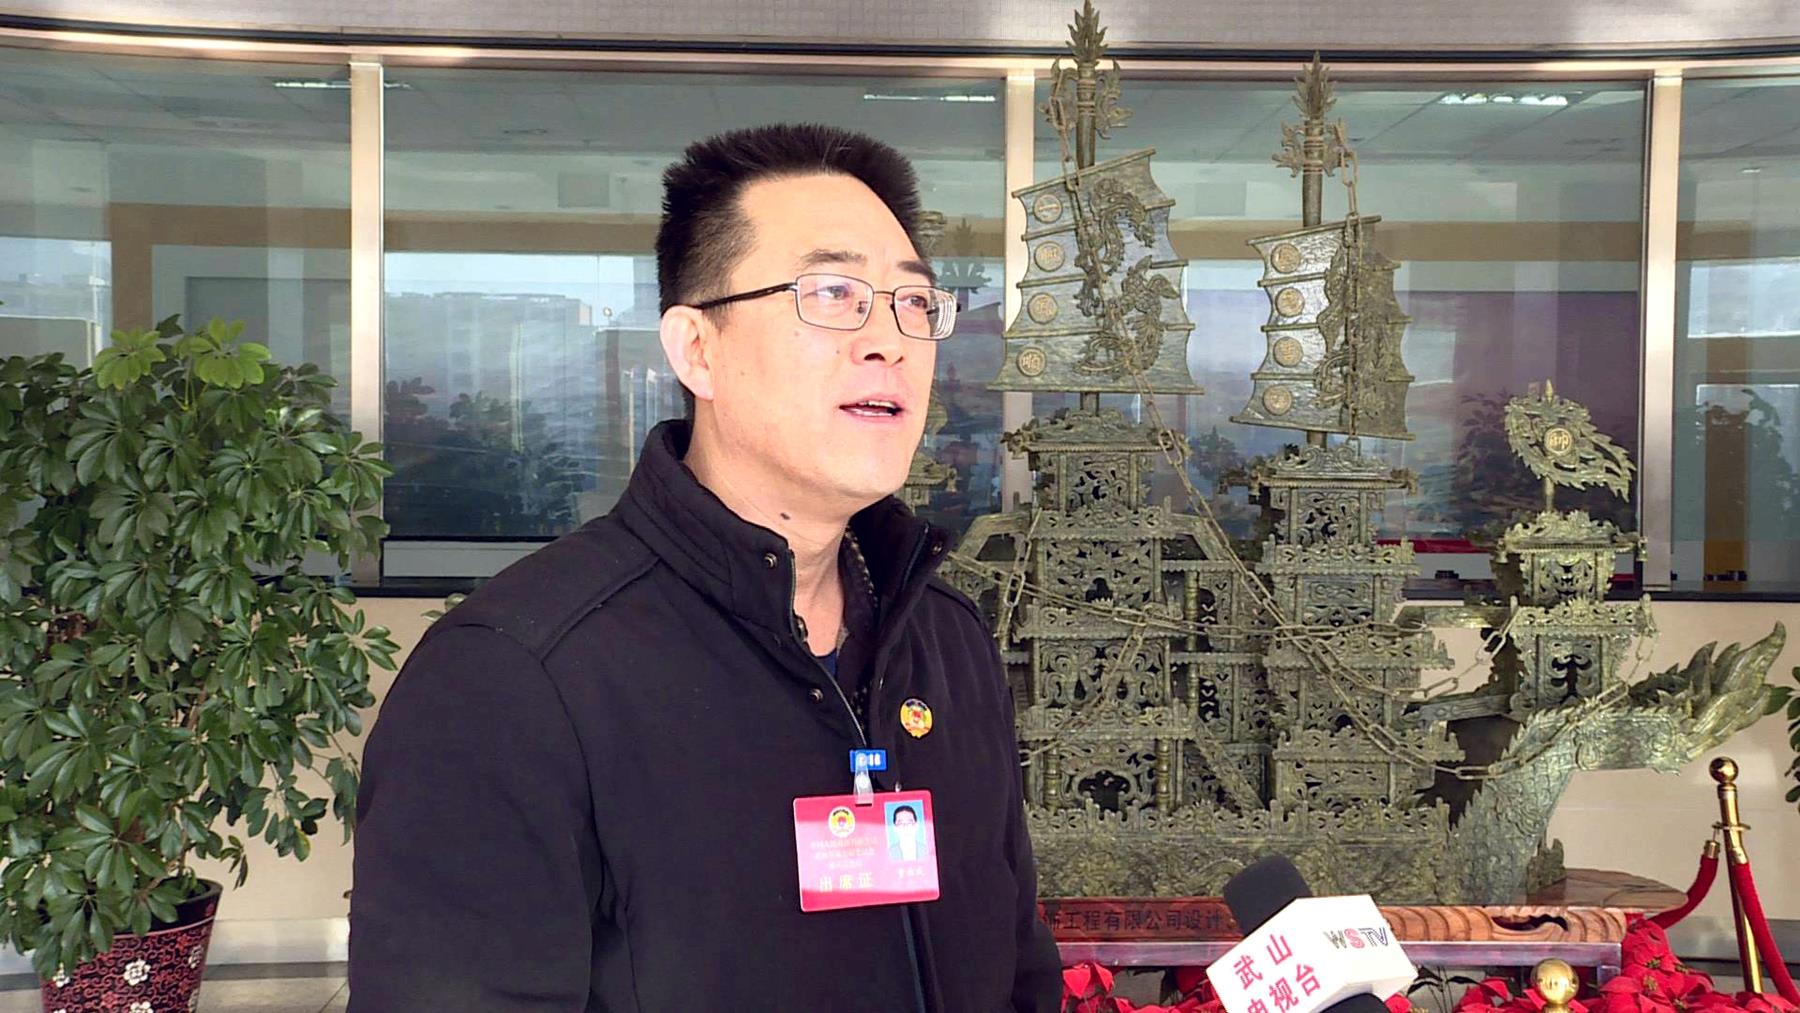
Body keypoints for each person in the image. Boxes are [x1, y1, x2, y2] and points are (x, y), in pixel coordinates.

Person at [348, 123, 1062, 1012]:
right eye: (832, 293)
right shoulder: (513, 677)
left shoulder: (946, 640)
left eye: (912, 302)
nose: (889, 340)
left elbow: (1019, 968)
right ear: (697, 349)